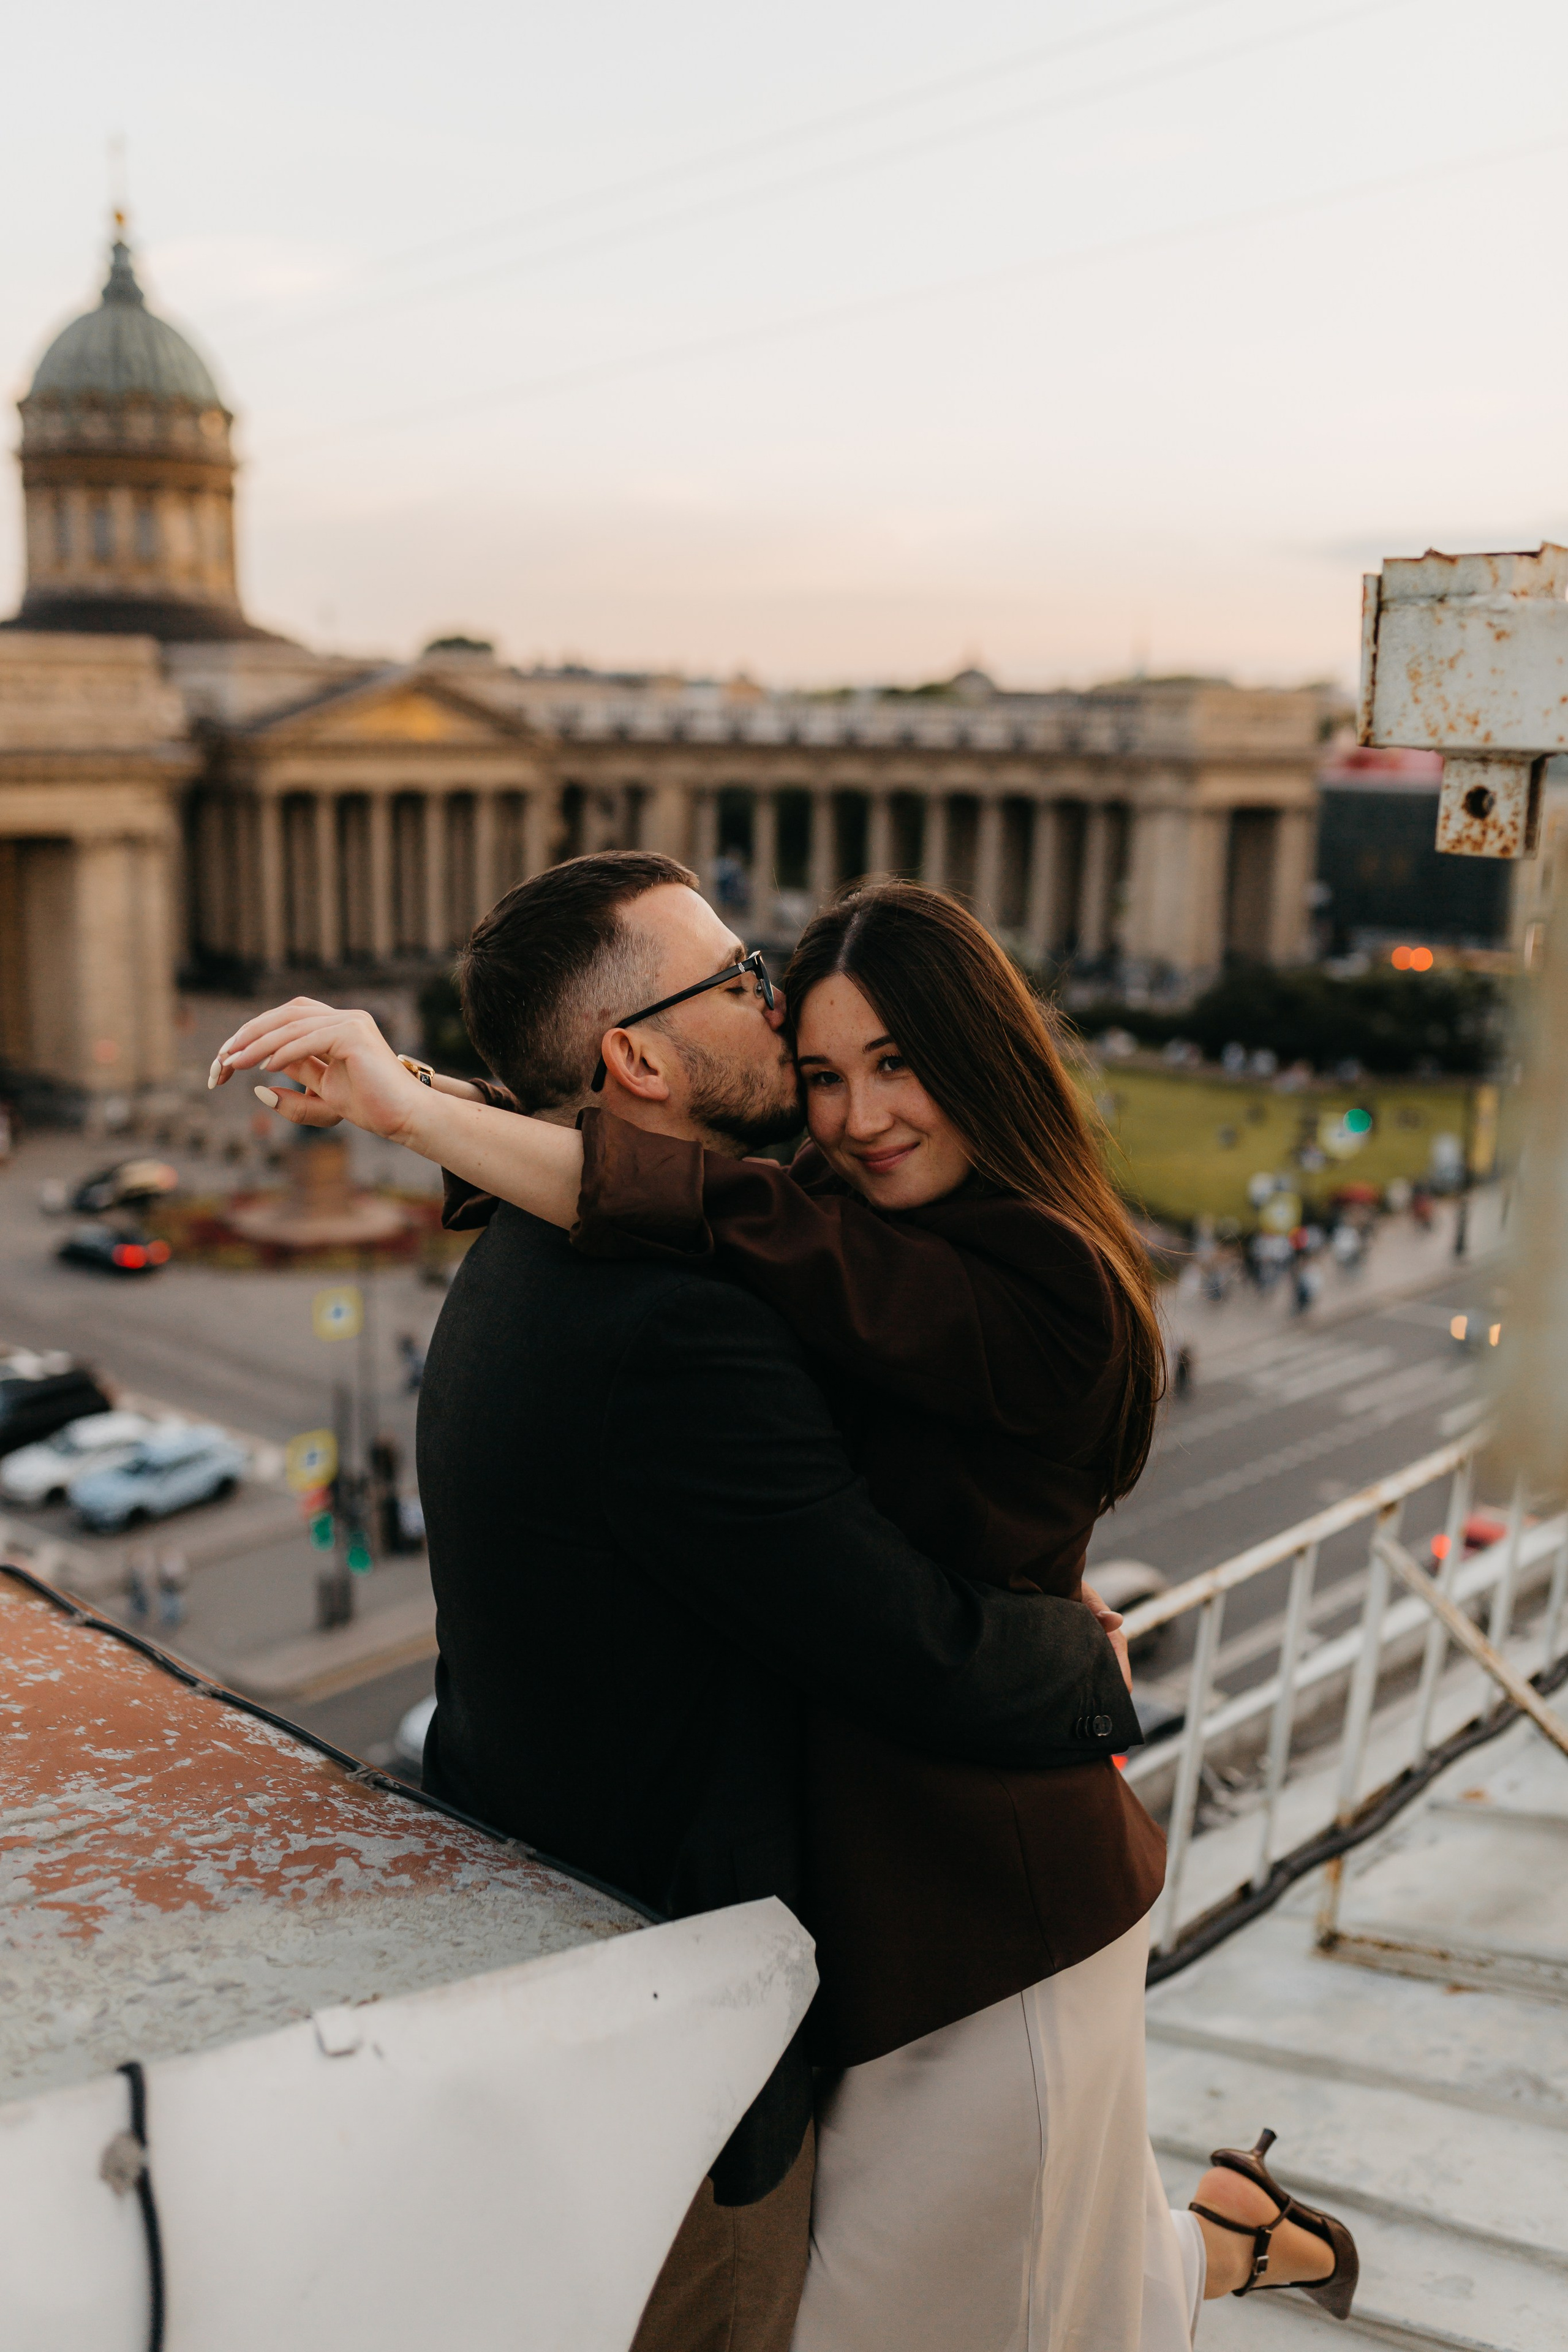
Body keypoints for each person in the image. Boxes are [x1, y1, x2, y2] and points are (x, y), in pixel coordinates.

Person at [216, 862, 1358, 2349]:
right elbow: (682, 1194)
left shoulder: (1023, 1276)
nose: (849, 1106)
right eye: (800, 1046)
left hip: (992, 1886)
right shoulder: (780, 1235)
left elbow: (708, 1207)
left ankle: (1220, 2241)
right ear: (637, 1060)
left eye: (897, 1063)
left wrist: (1079, 1659)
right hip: (883, 1905)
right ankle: (1227, 2235)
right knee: (1015, 2286)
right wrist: (421, 1098)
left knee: (989, 2307)